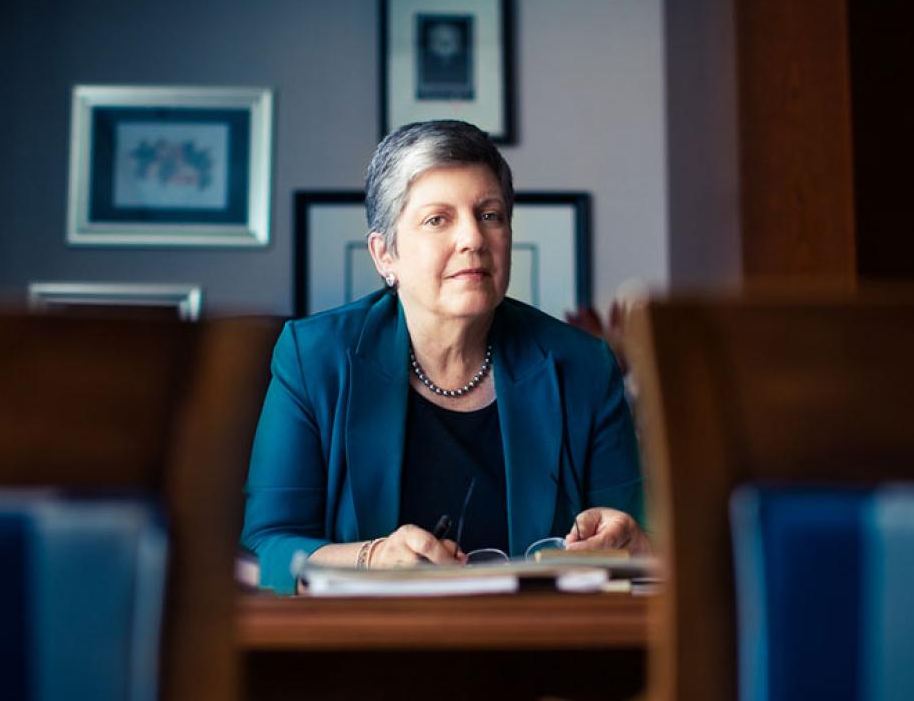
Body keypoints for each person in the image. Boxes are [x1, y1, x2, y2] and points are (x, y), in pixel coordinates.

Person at [241, 120, 647, 594]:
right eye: (438, 219)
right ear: (384, 254)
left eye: (490, 215)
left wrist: (632, 543)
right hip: (361, 652)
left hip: (543, 651)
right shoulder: (313, 358)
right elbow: (265, 546)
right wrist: (371, 558)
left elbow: (633, 546)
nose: (473, 238)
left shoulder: (583, 366)